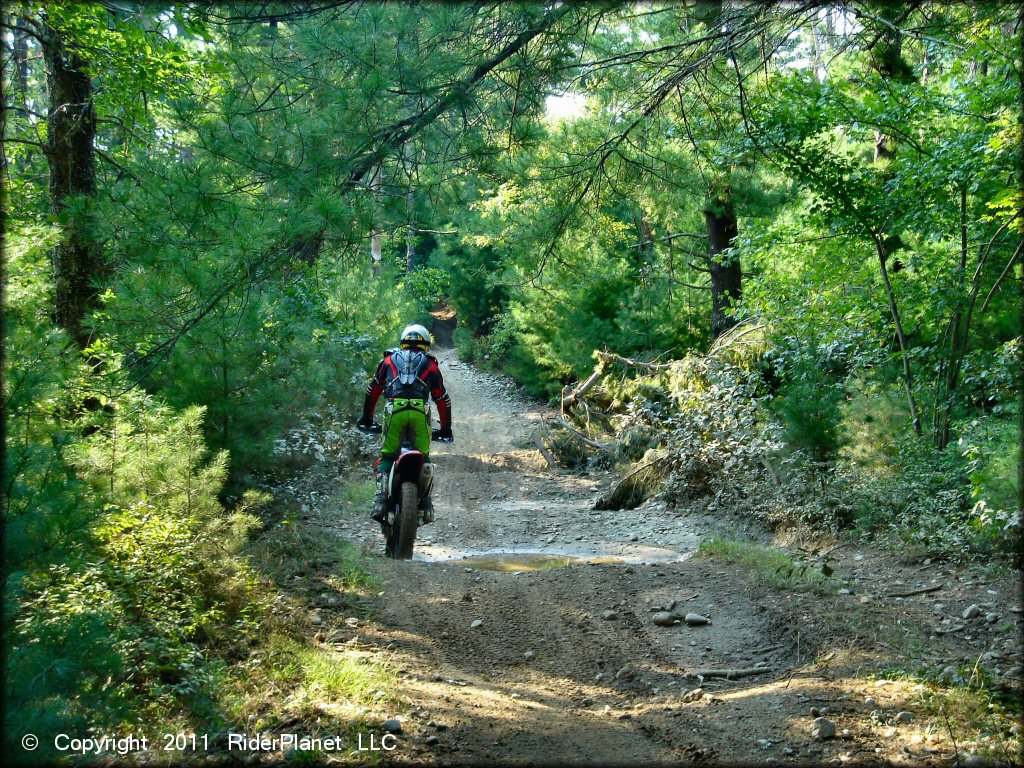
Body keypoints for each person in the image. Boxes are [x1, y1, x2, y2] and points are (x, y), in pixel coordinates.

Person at [357, 324, 453, 523]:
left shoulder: (388, 360)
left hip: (395, 410)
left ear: (402, 342)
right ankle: (426, 504)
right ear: (426, 344)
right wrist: (445, 429)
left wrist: (367, 419)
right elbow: (442, 399)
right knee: (424, 457)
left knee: (388, 455)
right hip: (419, 412)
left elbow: (372, 392)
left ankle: (379, 502)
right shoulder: (430, 364)